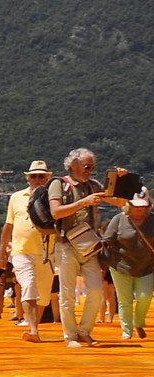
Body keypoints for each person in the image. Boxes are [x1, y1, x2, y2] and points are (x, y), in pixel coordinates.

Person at [49, 148, 121, 348]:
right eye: (86, 166)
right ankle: (70, 336)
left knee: (97, 291)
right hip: (66, 245)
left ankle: (84, 331)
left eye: (92, 167)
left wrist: (121, 180)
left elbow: (119, 202)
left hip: (88, 244)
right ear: (73, 165)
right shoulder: (59, 184)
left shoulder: (93, 185)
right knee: (67, 294)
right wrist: (84, 202)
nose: (90, 171)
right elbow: (56, 212)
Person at [2, 160, 56, 342]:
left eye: (41, 176)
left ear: (48, 177)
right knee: (28, 288)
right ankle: (33, 330)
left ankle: (35, 327)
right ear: (28, 178)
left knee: (44, 297)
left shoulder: (55, 198)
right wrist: (3, 250)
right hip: (21, 252)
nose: (37, 179)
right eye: (34, 176)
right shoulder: (16, 197)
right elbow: (8, 226)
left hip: (47, 253)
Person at [103, 191, 154, 341]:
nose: (140, 210)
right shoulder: (119, 220)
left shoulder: (152, 220)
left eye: (143, 207)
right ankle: (127, 331)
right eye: (136, 206)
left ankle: (139, 322)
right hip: (121, 266)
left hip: (146, 266)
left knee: (145, 297)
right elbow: (107, 239)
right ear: (129, 206)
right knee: (124, 301)